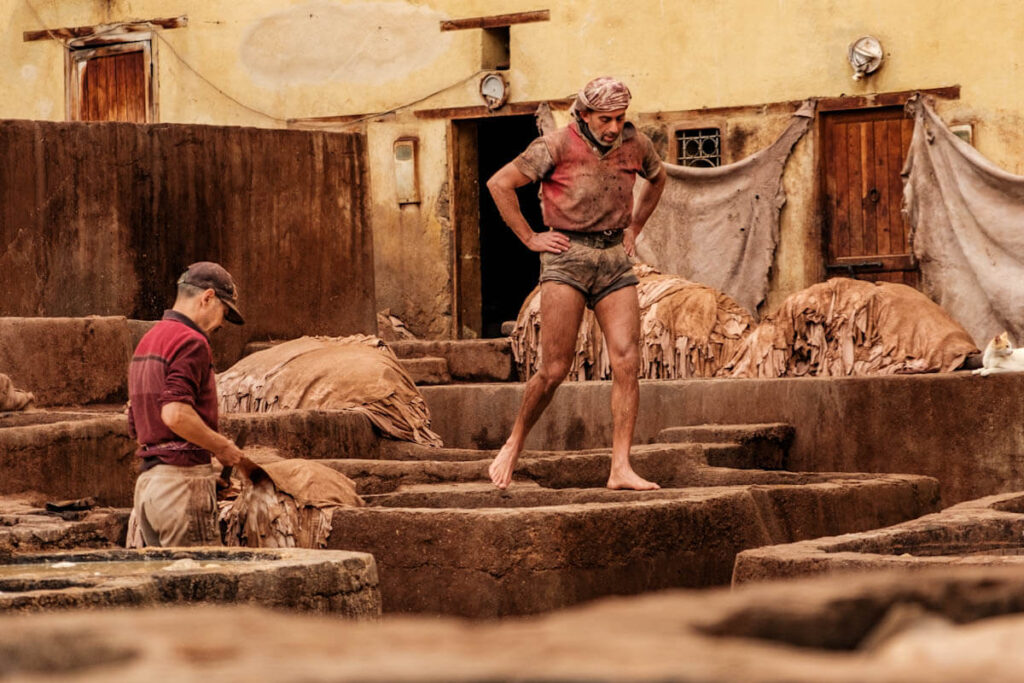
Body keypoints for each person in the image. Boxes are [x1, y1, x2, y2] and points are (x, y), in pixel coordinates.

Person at [486, 76, 666, 490]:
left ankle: (620, 467)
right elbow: (500, 183)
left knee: (627, 361)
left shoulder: (636, 144)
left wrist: (634, 227)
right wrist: (531, 238)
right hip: (567, 258)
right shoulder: (554, 145)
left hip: (613, 259)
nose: (613, 127)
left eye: (620, 118)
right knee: (554, 369)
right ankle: (514, 443)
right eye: (605, 119)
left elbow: (657, 180)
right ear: (583, 114)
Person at [127, 261, 246, 546]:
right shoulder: (191, 341)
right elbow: (175, 414)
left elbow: (136, 423)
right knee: (198, 586)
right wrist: (222, 449)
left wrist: (205, 479)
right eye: (224, 313)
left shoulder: (148, 340)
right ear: (208, 297)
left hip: (149, 489)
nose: (220, 324)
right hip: (179, 487)